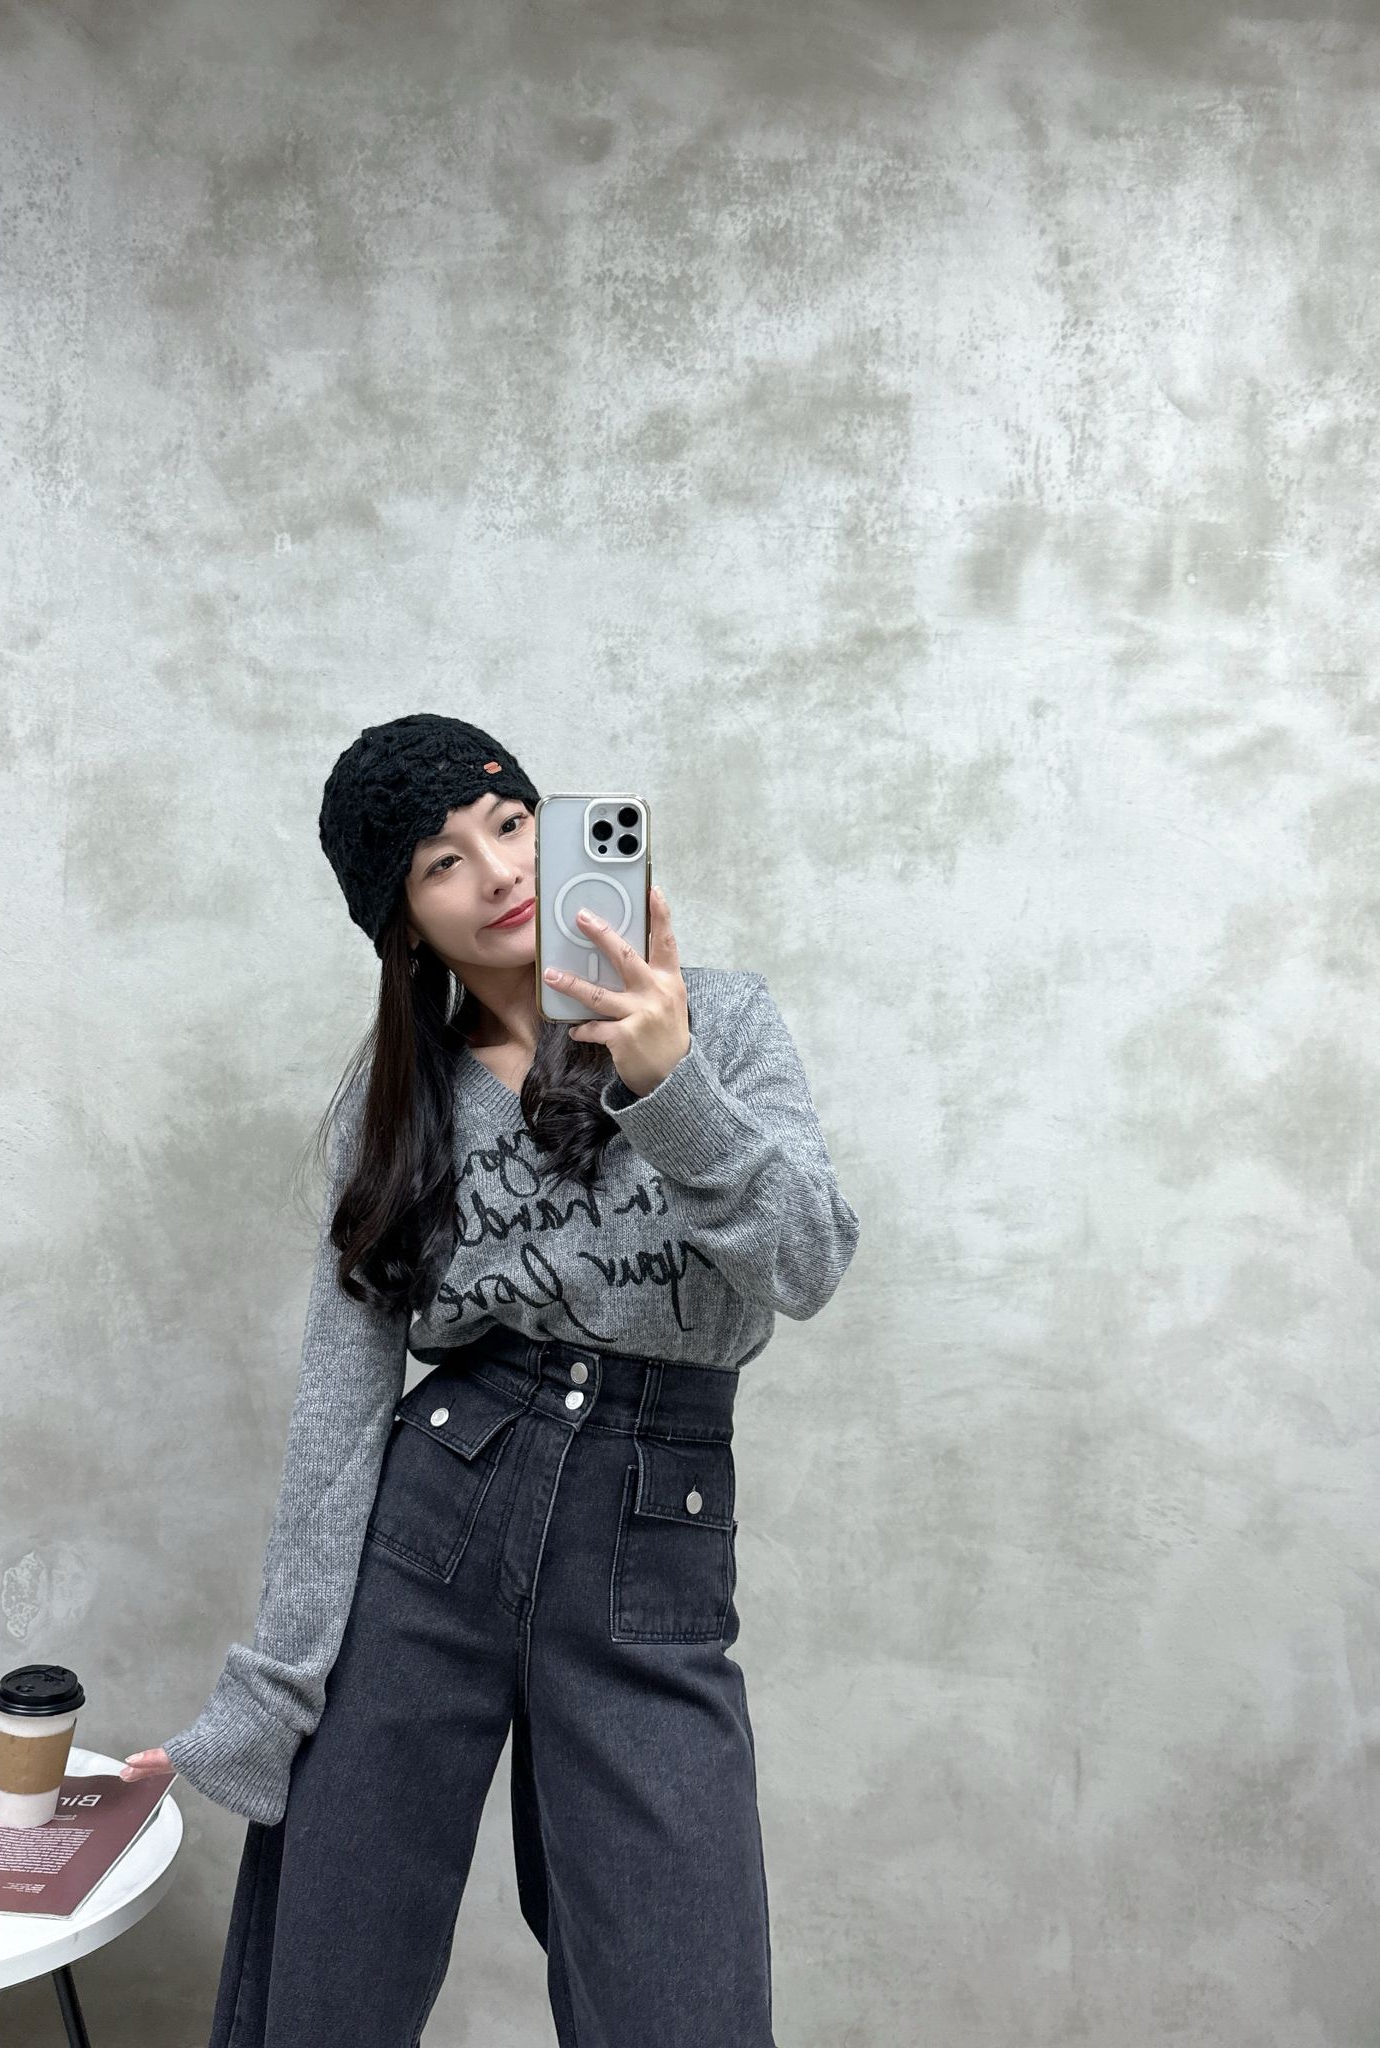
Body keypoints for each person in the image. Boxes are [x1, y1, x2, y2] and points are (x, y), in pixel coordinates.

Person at [121, 711, 861, 2048]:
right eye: (442, 860)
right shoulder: (400, 1099)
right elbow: (342, 1397)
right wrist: (269, 1688)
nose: (501, 871)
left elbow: (807, 1263)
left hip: (650, 1526)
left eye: (511, 825)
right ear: (403, 923)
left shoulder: (722, 1021)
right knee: (327, 1988)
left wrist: (671, 1081)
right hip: (436, 1516)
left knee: (682, 2001)